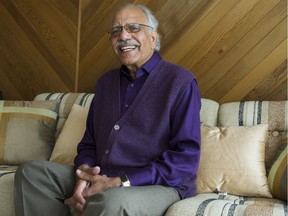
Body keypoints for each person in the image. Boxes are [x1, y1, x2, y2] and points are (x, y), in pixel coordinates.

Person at [14, 3, 201, 216]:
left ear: (153, 37)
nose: (123, 36)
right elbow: (89, 143)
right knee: (33, 173)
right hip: (102, 177)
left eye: (133, 27)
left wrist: (120, 181)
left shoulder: (180, 81)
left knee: (111, 201)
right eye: (116, 31)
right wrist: (83, 174)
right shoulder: (105, 83)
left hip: (159, 185)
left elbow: (185, 159)